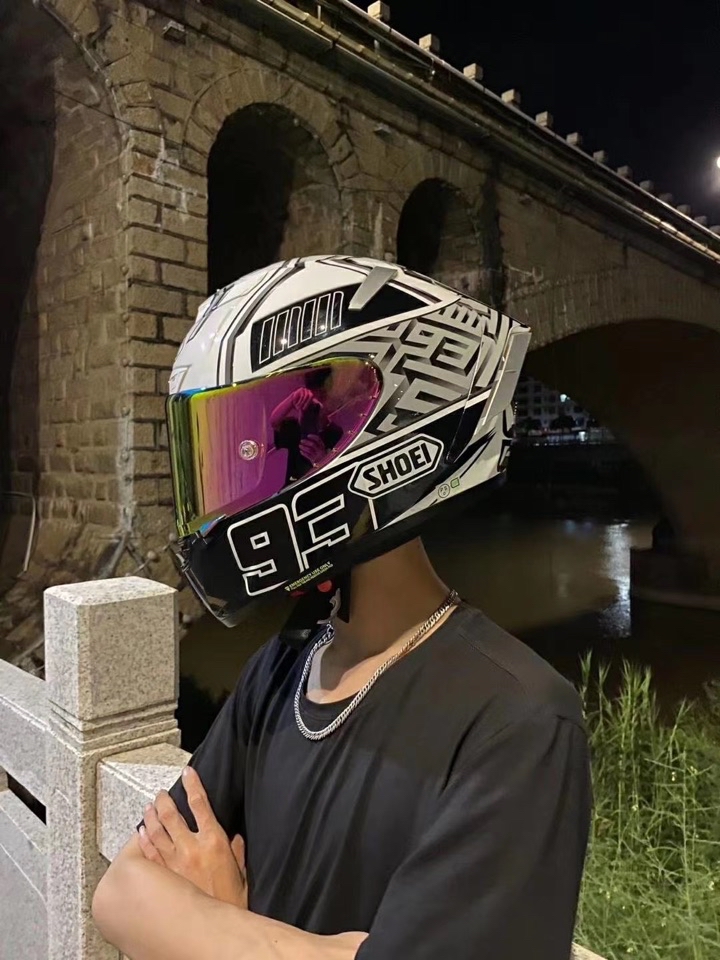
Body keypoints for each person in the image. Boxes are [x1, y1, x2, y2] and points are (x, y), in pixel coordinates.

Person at [92, 256, 592, 960]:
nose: (228, 494)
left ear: (370, 442)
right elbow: (118, 892)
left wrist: (214, 918)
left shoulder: (519, 723)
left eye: (252, 453)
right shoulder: (280, 670)